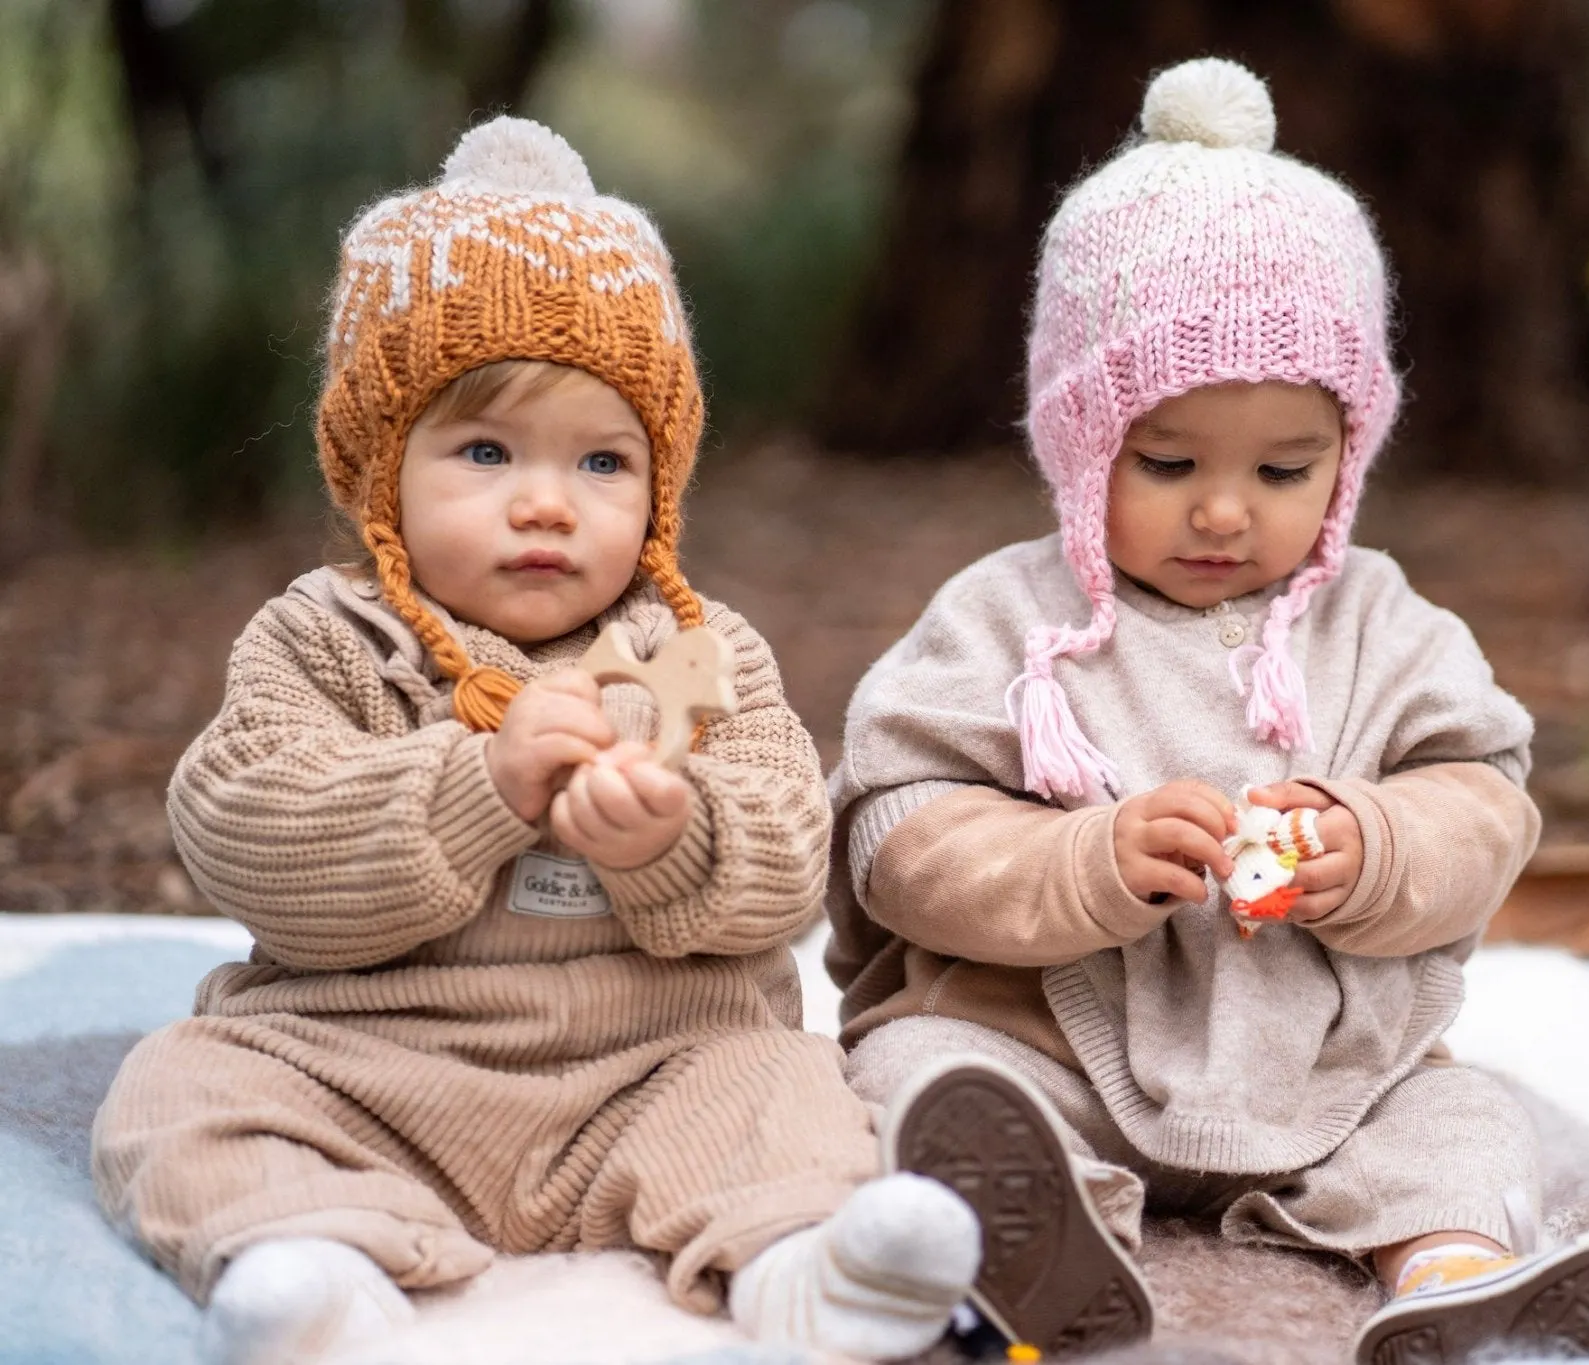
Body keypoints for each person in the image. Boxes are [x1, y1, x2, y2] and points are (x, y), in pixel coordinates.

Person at [825, 59, 1589, 1365]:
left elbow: (1483, 802)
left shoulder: (1381, 623)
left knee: (1463, 1121)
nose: (1223, 510)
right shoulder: (1001, 618)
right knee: (915, 1084)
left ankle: (1457, 1282)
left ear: (1348, 455)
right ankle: (1022, 1242)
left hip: (1325, 1069)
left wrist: (1374, 843)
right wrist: (1080, 856)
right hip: (1050, 1044)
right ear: (1082, 442)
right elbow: (897, 836)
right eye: (1170, 460)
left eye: (1284, 467)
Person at [92, 116, 979, 1365]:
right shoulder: (324, 637)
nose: (547, 502)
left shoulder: (697, 647)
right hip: (373, 1063)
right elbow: (244, 830)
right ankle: (316, 1261)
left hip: (653, 1065)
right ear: (376, 471)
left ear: (660, 484)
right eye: (486, 450)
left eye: (604, 460)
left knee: (791, 1089)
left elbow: (789, 857)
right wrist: (473, 786)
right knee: (180, 1088)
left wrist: (679, 839)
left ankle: (802, 1267)